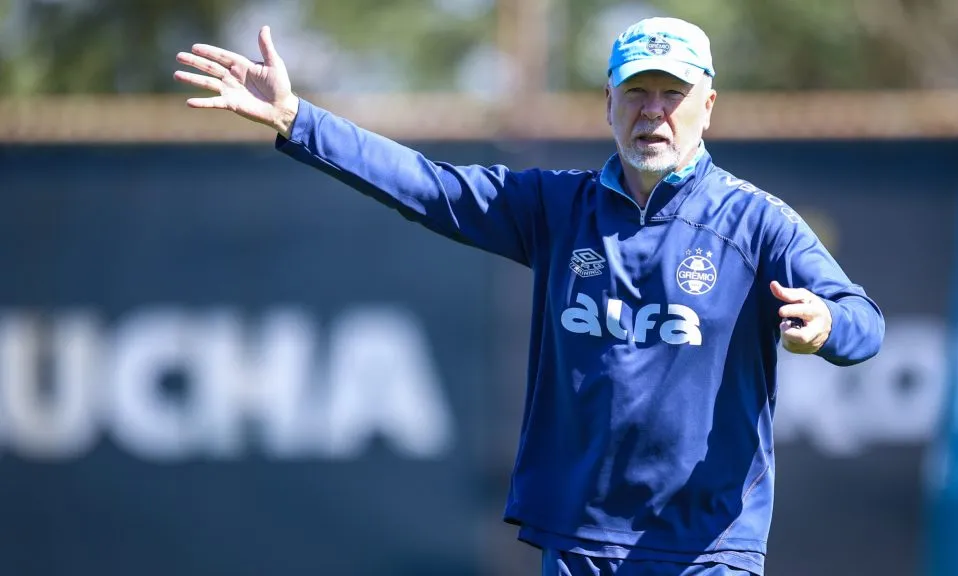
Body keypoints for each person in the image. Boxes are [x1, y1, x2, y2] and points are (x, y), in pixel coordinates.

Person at [174, 16, 884, 576]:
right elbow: (429, 187)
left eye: (674, 94)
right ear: (608, 102)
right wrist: (301, 120)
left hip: (709, 545)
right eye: (637, 91)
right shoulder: (556, 208)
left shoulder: (753, 221)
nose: (654, 112)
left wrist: (825, 326)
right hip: (581, 537)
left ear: (708, 106)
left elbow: (864, 321)